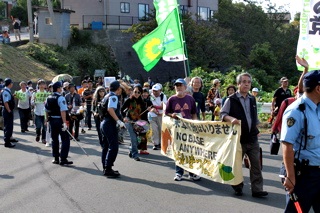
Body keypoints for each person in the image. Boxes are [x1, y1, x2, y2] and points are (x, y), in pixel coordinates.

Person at [220, 73, 268, 197]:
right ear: (238, 84)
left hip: (252, 137)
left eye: (249, 82)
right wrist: (231, 119)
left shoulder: (252, 98)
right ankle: (237, 187)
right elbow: (222, 114)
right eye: (244, 81)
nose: (247, 84)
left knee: (256, 165)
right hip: (238, 139)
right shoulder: (231, 99)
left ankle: (257, 189)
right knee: (237, 165)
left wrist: (257, 128)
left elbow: (254, 116)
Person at [281, 70, 320, 212]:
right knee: (298, 211)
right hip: (303, 174)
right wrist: (290, 176)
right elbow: (287, 144)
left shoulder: (318, 108)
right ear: (318, 88)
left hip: (318, 171)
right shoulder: (296, 111)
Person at [165, 78, 201, 182]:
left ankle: (192, 172)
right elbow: (166, 112)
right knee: (179, 150)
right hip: (177, 129)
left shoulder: (190, 99)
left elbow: (194, 113)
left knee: (190, 150)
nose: (179, 87)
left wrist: (196, 125)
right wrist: (172, 115)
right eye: (177, 85)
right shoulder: (171, 99)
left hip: (189, 128)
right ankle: (179, 172)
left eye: (181, 85)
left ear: (185, 87)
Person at [100, 81, 124, 177]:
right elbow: (110, 109)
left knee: (106, 146)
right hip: (110, 123)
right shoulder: (113, 97)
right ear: (118, 89)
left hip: (104, 122)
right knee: (113, 146)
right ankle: (108, 168)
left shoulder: (106, 96)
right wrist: (118, 121)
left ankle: (105, 166)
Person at [45, 81, 73, 165]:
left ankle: (56, 158)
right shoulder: (61, 98)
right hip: (60, 120)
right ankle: (63, 158)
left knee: (54, 139)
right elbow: (63, 111)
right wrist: (64, 123)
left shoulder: (48, 97)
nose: (61, 89)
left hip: (52, 120)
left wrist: (47, 119)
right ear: (58, 88)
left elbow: (46, 109)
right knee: (65, 139)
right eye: (60, 87)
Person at [122, 85, 151, 160]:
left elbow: (144, 114)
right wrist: (124, 117)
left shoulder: (142, 102)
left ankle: (131, 149)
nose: (137, 93)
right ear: (132, 92)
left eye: (138, 92)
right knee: (133, 138)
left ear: (141, 93)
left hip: (138, 122)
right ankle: (135, 155)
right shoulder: (129, 100)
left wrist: (146, 123)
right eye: (135, 92)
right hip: (129, 121)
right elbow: (121, 110)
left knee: (139, 139)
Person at [149, 84, 167, 150]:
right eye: (154, 91)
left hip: (161, 115)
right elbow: (150, 106)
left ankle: (160, 143)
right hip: (152, 115)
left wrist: (155, 107)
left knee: (160, 129)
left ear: (160, 90)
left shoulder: (163, 96)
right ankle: (155, 143)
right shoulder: (150, 96)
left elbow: (163, 106)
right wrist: (154, 109)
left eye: (156, 91)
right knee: (154, 129)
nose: (155, 92)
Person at [1, 78, 18, 148]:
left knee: (9, 126)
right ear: (10, 84)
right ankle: (7, 142)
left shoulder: (7, 91)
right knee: (8, 127)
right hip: (7, 111)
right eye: (12, 83)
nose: (12, 84)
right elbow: (5, 102)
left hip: (8, 111)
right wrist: (9, 111)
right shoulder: (5, 91)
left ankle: (9, 139)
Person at [31, 80, 48, 144]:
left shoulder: (46, 93)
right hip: (37, 112)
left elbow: (48, 103)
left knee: (44, 127)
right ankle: (38, 134)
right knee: (38, 126)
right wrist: (35, 100)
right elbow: (32, 103)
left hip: (45, 112)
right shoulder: (35, 93)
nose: (41, 85)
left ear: (45, 85)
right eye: (40, 84)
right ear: (38, 85)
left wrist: (46, 103)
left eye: (43, 84)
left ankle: (43, 138)